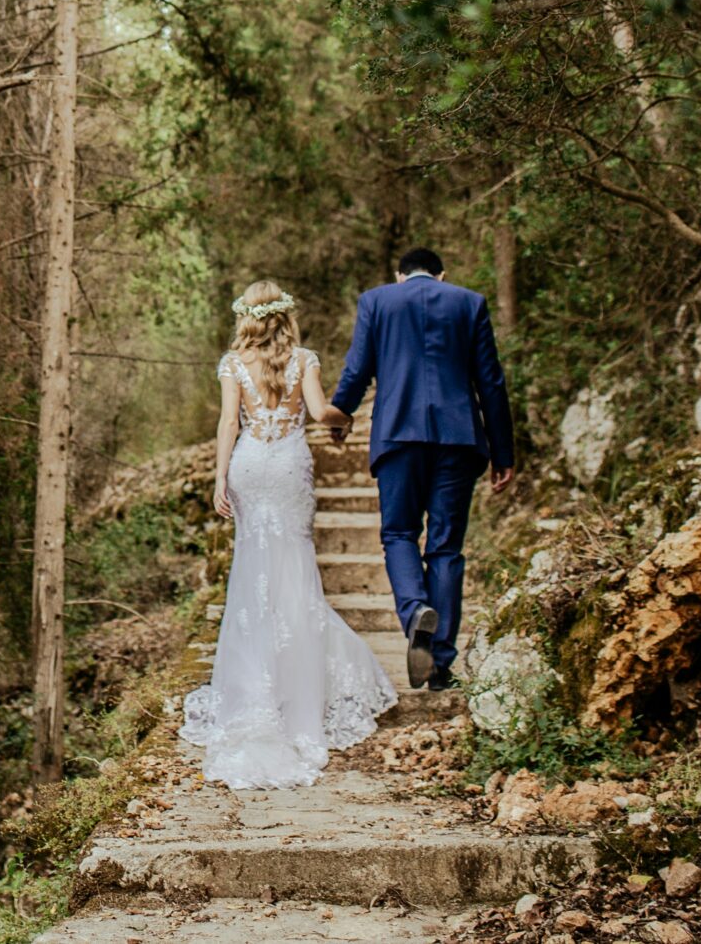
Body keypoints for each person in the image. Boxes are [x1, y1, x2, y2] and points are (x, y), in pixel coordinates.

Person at [179, 281, 397, 789]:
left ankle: (255, 686)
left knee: (252, 571)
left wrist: (219, 478)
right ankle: (299, 690)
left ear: (247, 318)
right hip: (290, 467)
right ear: (286, 316)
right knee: (295, 567)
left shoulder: (233, 364)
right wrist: (346, 419)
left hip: (251, 468)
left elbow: (229, 422)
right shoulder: (305, 360)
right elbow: (322, 414)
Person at [322, 247, 516, 691]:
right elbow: (491, 381)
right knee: (446, 548)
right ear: (441, 274)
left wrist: (341, 416)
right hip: (458, 437)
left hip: (397, 436)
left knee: (399, 534)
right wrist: (503, 453)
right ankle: (440, 666)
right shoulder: (469, 303)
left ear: (399, 274)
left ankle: (414, 613)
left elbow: (358, 368)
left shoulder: (377, 301)